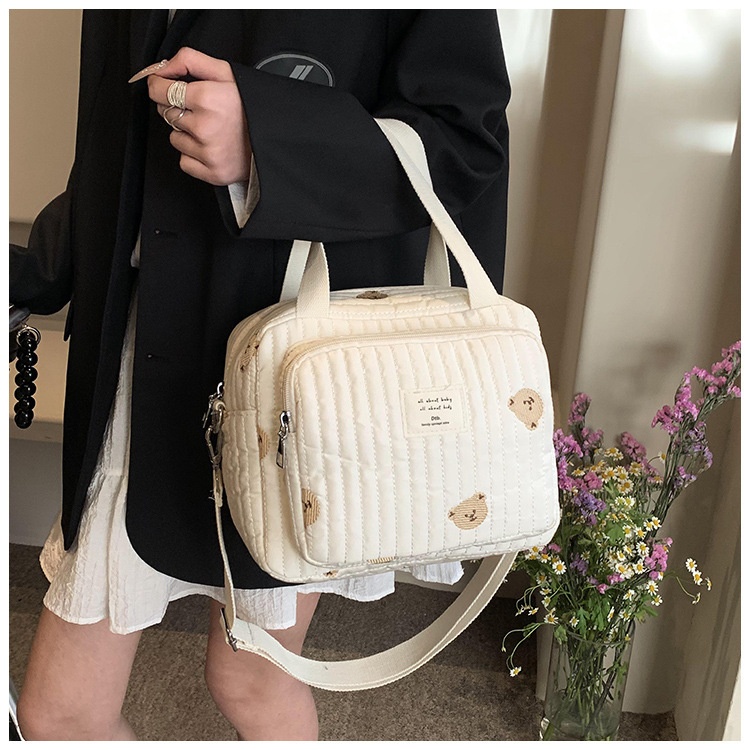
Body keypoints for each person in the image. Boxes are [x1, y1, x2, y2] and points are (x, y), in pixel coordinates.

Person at [10, 10, 511, 741]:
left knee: (250, 678)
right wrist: (35, 272)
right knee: (63, 715)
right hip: (146, 350)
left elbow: (464, 141)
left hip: (298, 377)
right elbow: (117, 145)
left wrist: (271, 141)